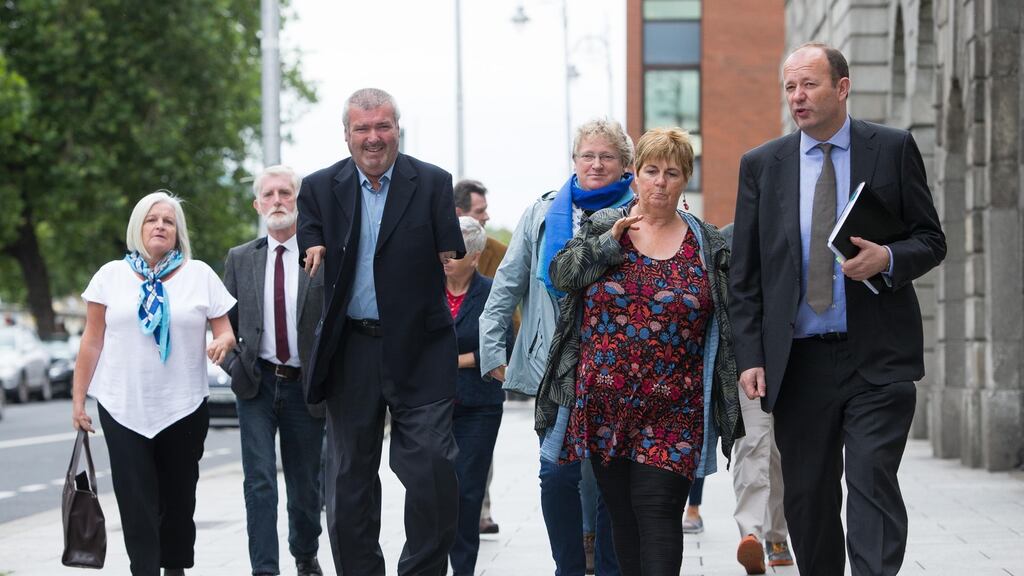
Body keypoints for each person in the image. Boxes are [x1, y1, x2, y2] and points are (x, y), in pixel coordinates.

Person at [729, 43, 946, 576]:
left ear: (842, 87)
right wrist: (751, 355)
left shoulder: (891, 149)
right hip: (798, 362)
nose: (797, 97)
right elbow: (747, 275)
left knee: (872, 479)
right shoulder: (763, 166)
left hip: (877, 356)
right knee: (806, 496)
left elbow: (931, 239)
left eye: (809, 85)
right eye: (790, 88)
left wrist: (888, 257)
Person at [541, 127, 741, 576]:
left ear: (685, 178)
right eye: (651, 171)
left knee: (658, 514)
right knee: (623, 521)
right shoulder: (602, 226)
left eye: (672, 173)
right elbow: (562, 275)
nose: (660, 182)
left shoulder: (708, 243)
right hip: (606, 406)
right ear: (635, 176)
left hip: (674, 408)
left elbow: (730, 317)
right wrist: (608, 244)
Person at [296, 87, 465, 576]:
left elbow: (450, 250)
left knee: (434, 467)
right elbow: (310, 230)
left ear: (397, 129)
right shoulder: (319, 187)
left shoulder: (432, 183)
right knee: (348, 482)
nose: (374, 138)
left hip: (420, 347)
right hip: (352, 350)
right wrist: (315, 248)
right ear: (346, 135)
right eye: (362, 128)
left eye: (383, 126)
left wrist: (448, 259)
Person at [480, 118, 635, 576]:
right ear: (574, 160)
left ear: (625, 164)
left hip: (618, 366)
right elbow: (506, 285)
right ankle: (568, 567)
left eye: (607, 156)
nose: (596, 163)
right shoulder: (544, 213)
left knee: (611, 477)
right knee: (557, 472)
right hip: (559, 366)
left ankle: (607, 567)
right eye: (587, 155)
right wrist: (493, 351)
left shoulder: (641, 212)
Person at [71, 191, 236, 576]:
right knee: (136, 501)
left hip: (184, 405)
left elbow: (225, 330)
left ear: (178, 232)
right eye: (151, 219)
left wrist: (223, 341)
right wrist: (79, 401)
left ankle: (174, 568)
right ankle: (143, 570)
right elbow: (91, 340)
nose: (160, 225)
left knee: (178, 500)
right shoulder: (110, 276)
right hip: (122, 407)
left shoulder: (200, 276)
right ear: (137, 227)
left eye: (168, 220)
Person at [221, 165, 325, 576]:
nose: (278, 200)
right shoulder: (240, 259)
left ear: (298, 202)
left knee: (304, 486)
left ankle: (305, 554)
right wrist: (234, 366)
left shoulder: (319, 255)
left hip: (305, 386)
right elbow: (222, 322)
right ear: (258, 203)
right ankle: (264, 568)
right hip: (257, 384)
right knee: (259, 482)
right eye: (269, 194)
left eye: (286, 192)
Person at [714, 222, 794, 575]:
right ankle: (751, 535)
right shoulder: (728, 238)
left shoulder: (799, 230)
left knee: (779, 453)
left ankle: (777, 534)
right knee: (754, 445)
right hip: (747, 363)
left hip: (795, 362)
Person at [444, 216, 513, 575]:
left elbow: (506, 346)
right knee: (435, 490)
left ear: (475, 256)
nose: (446, 257)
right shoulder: (426, 290)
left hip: (478, 408)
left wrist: (456, 360)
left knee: (468, 489)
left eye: (455, 252)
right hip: (432, 406)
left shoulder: (492, 292)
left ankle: (464, 568)